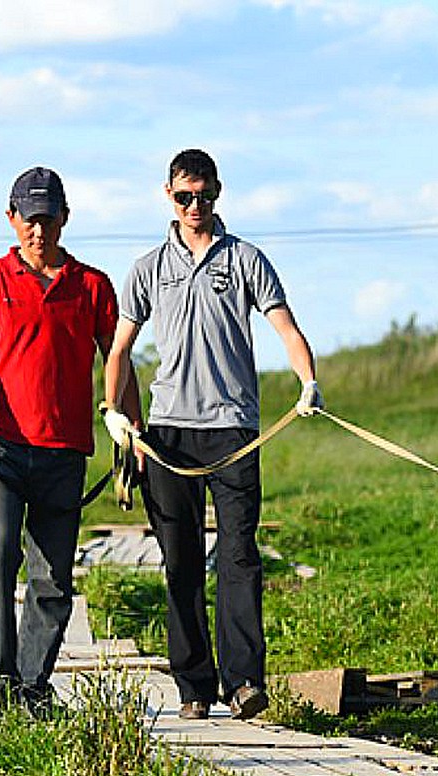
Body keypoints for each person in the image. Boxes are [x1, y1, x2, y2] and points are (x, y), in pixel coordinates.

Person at [102, 148, 323, 721]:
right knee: (178, 560)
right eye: (184, 197)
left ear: (218, 193)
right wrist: (114, 411)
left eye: (204, 195)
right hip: (168, 434)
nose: (195, 206)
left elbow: (286, 328)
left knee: (239, 555)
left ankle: (245, 681)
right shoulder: (149, 268)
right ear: (168, 196)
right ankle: (193, 685)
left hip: (233, 431)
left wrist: (308, 382)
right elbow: (121, 348)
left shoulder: (246, 259)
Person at [0, 165, 138, 714]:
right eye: (29, 219)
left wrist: (132, 433)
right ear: (12, 219)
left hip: (63, 450)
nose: (38, 230)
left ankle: (31, 688)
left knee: (53, 576)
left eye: (48, 219)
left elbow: (119, 362)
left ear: (64, 219)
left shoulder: (93, 286)